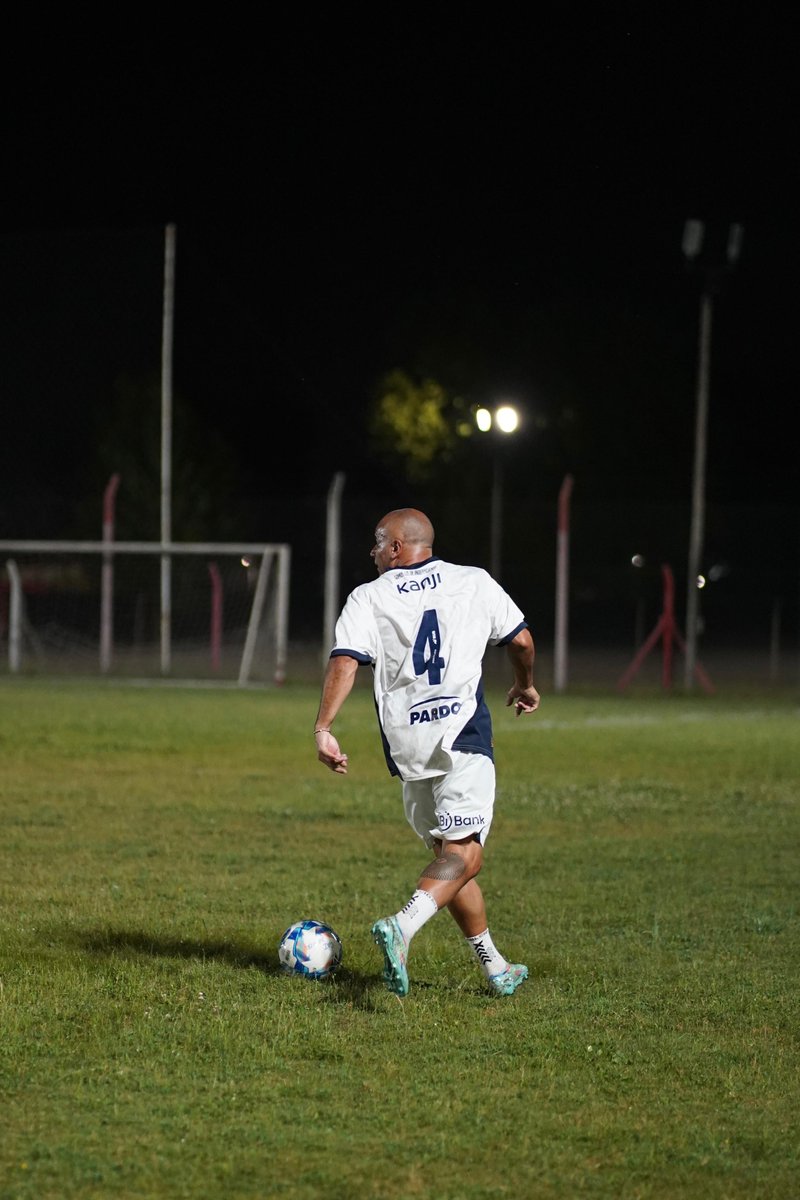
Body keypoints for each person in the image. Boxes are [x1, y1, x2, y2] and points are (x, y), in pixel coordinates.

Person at [314, 508, 540, 997]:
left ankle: (495, 967)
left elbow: (346, 662)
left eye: (377, 543)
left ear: (397, 547)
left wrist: (324, 727)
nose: (372, 552)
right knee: (466, 857)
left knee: (448, 859)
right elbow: (520, 639)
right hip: (462, 735)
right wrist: (525, 684)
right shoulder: (474, 581)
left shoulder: (367, 597)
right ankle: (402, 926)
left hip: (407, 747)